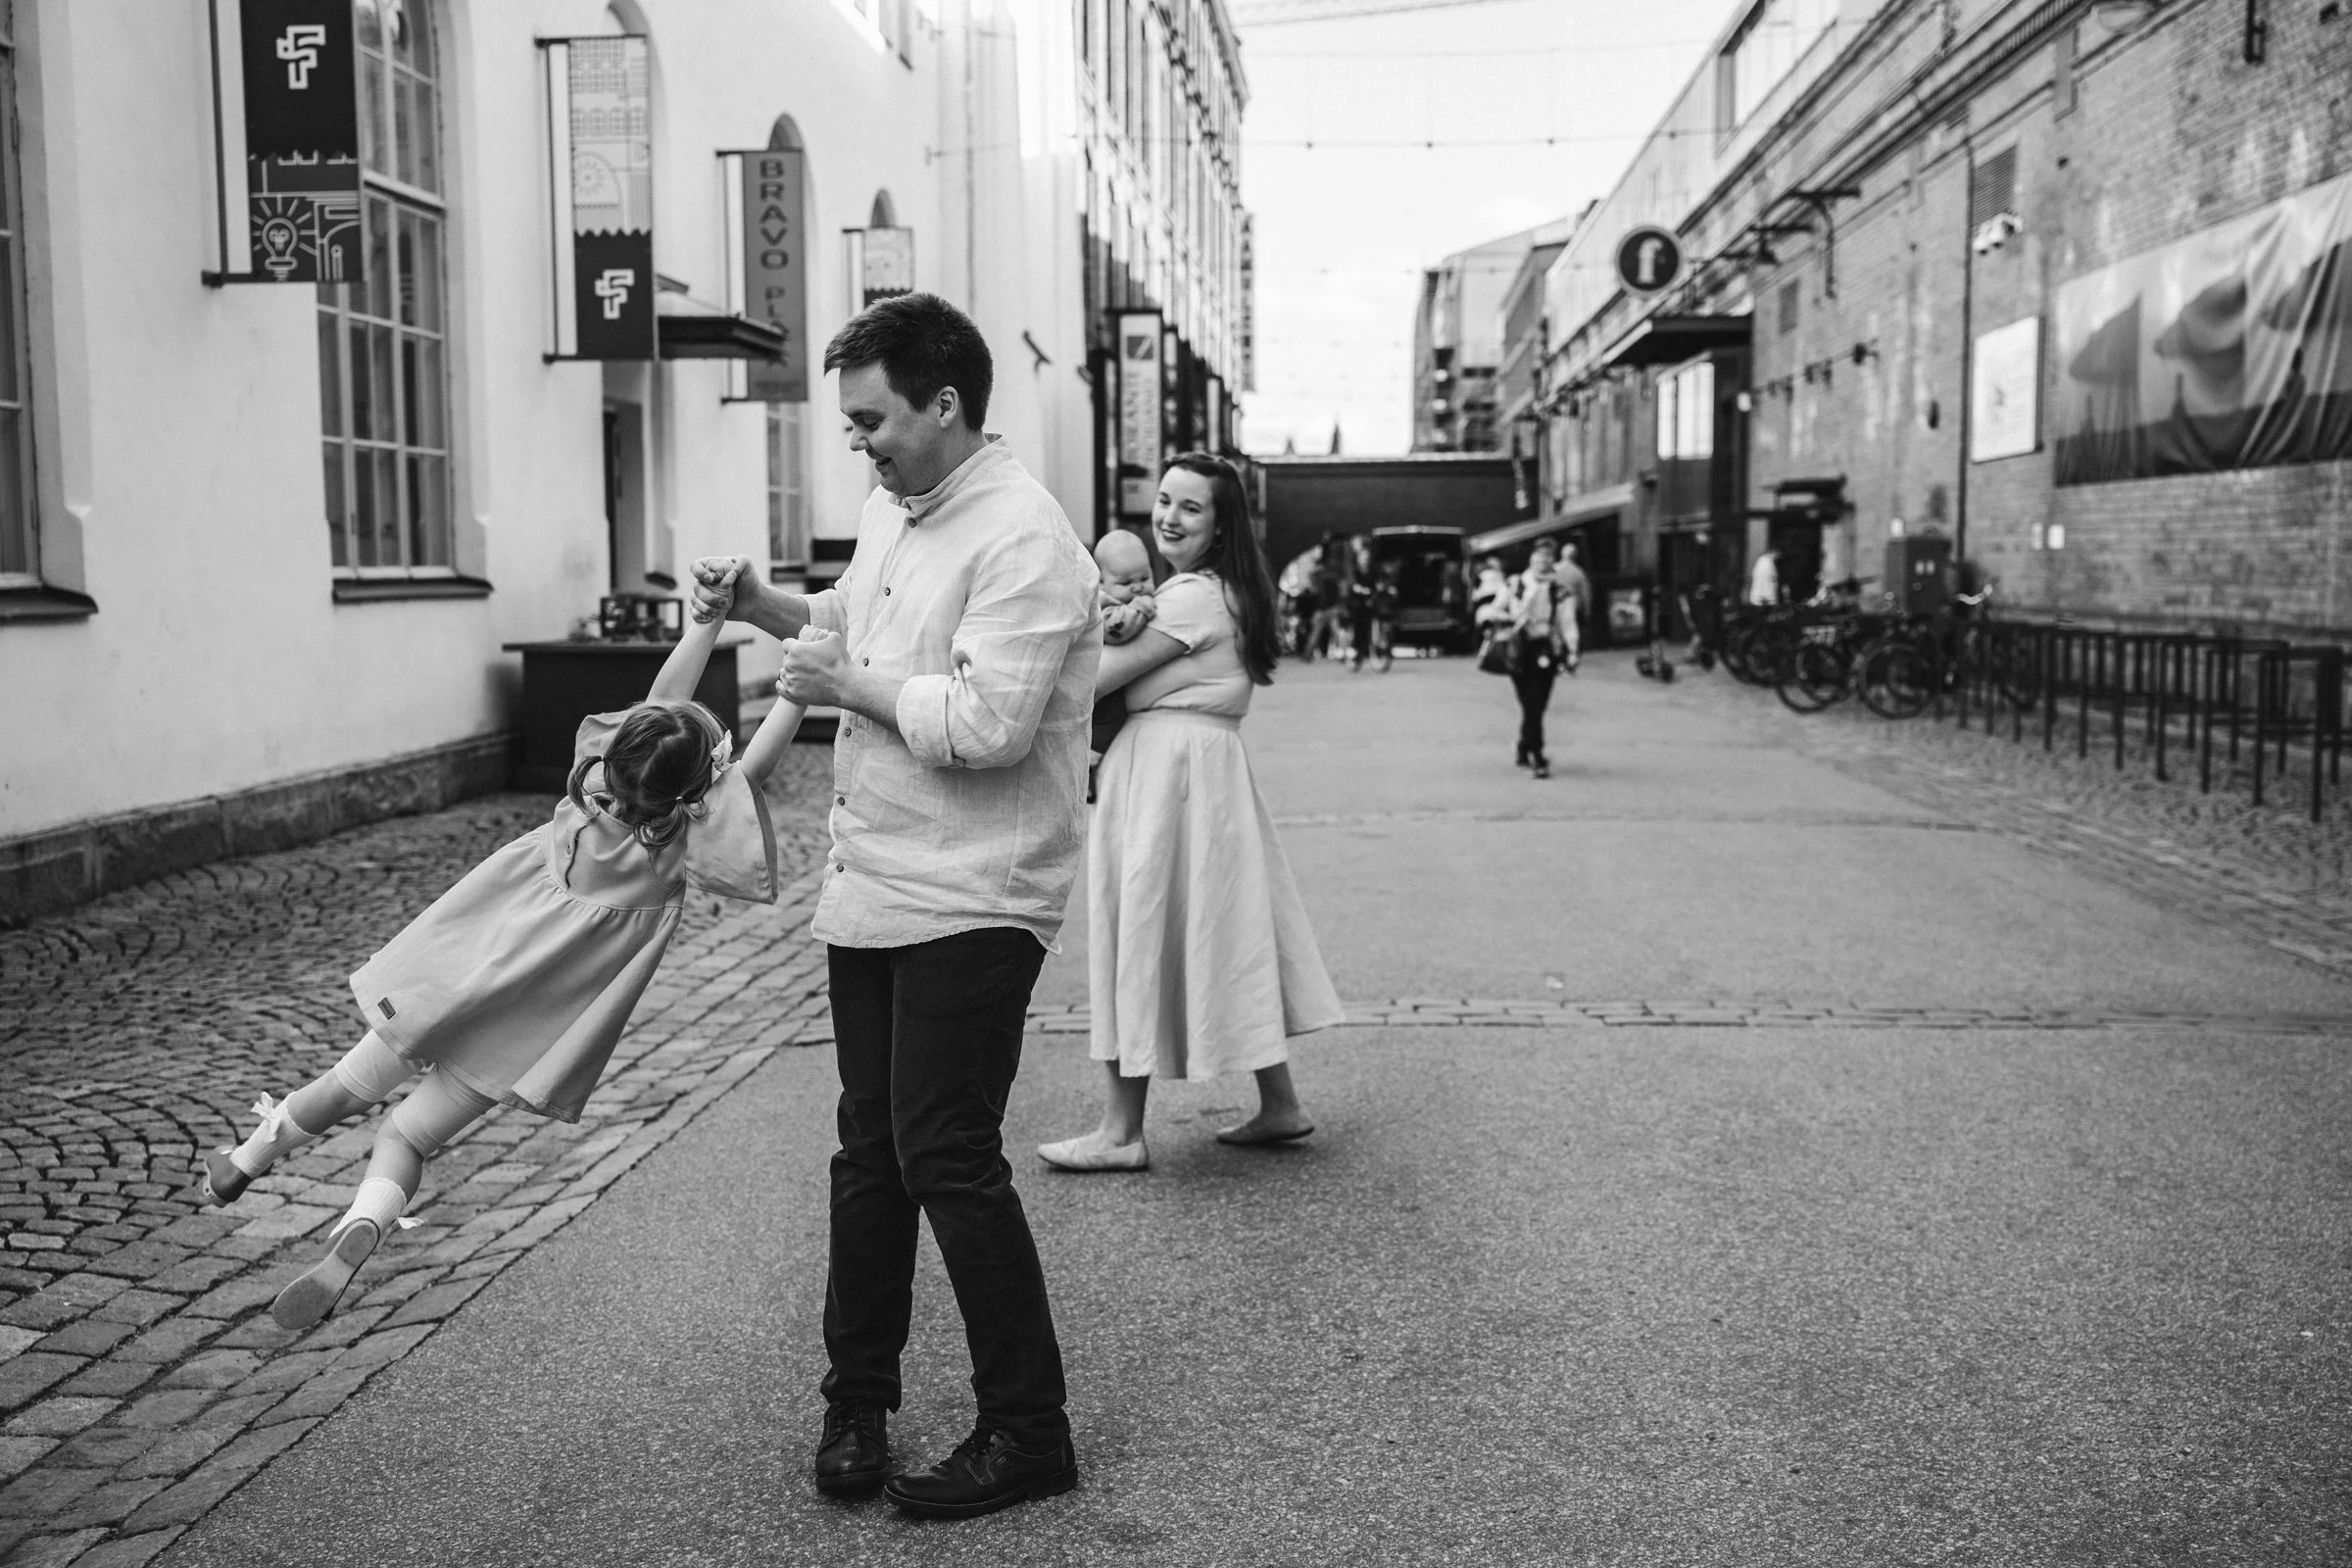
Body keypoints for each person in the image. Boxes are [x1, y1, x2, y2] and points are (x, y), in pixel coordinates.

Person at [689, 294, 1098, 1520]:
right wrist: (763, 602)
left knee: (948, 1156)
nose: (856, 444)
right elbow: (845, 631)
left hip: (980, 891)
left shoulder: (1025, 537)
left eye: (872, 420)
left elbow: (985, 725)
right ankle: (856, 1399)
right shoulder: (894, 509)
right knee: (872, 1155)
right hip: (872, 883)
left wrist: (851, 683)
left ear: (946, 404)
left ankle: (1030, 1429)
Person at [200, 566, 804, 1332]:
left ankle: (247, 1158)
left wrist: (707, 622)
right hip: (518, 1037)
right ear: (691, 798)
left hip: (447, 986)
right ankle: (366, 1221)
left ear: (618, 758)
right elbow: (753, 769)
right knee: (405, 1135)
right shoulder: (676, 849)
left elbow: (663, 694)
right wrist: (798, 692)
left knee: (344, 1087)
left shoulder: (584, 802)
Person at [1037, 453, 1346, 1173]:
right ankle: (1279, 1103)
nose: (1169, 517)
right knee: (1227, 926)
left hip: (1167, 781)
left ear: (1219, 525)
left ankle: (1120, 1132)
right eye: (1165, 501)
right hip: (1195, 776)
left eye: (1190, 508)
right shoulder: (1217, 591)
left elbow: (1093, 680)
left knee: (1140, 928)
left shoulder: (1191, 599)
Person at [1089, 528, 1158, 785]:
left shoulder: (1122, 599)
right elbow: (1118, 631)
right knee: (1109, 722)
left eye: (1145, 577)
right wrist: (1141, 608)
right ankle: (1089, 763)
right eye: (1127, 583)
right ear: (1101, 583)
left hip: (1112, 681)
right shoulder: (1102, 605)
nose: (1139, 587)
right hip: (1103, 693)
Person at [1505, 539, 1574, 779]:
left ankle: (1530, 749)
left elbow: (1567, 622)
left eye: (1547, 556)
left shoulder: (1559, 589)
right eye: (1539, 555)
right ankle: (1531, 750)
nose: (1543, 560)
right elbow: (1503, 609)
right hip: (1520, 648)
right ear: (1531, 558)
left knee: (1538, 704)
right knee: (1529, 703)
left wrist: (1573, 651)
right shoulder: (1516, 584)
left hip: (1545, 648)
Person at [1307, 534, 1349, 661]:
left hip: (1326, 607)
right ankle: (1343, 653)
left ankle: (1307, 654)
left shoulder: (1324, 576)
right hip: (1331, 606)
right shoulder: (1335, 573)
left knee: (1317, 632)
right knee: (1334, 631)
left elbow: (1322, 594)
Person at [1553, 540, 1592, 672]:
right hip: (1573, 608)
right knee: (1572, 634)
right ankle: (1571, 660)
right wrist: (1587, 610)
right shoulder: (1578, 572)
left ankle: (1559, 662)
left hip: (1555, 607)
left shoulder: (1554, 569)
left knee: (1558, 634)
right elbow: (1585, 594)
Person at [1748, 544, 1784, 608]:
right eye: (1778, 555)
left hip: (1760, 597)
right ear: (1775, 552)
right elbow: (1769, 581)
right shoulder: (1767, 562)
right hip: (1764, 598)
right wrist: (1773, 599)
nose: (1778, 557)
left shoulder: (1762, 560)